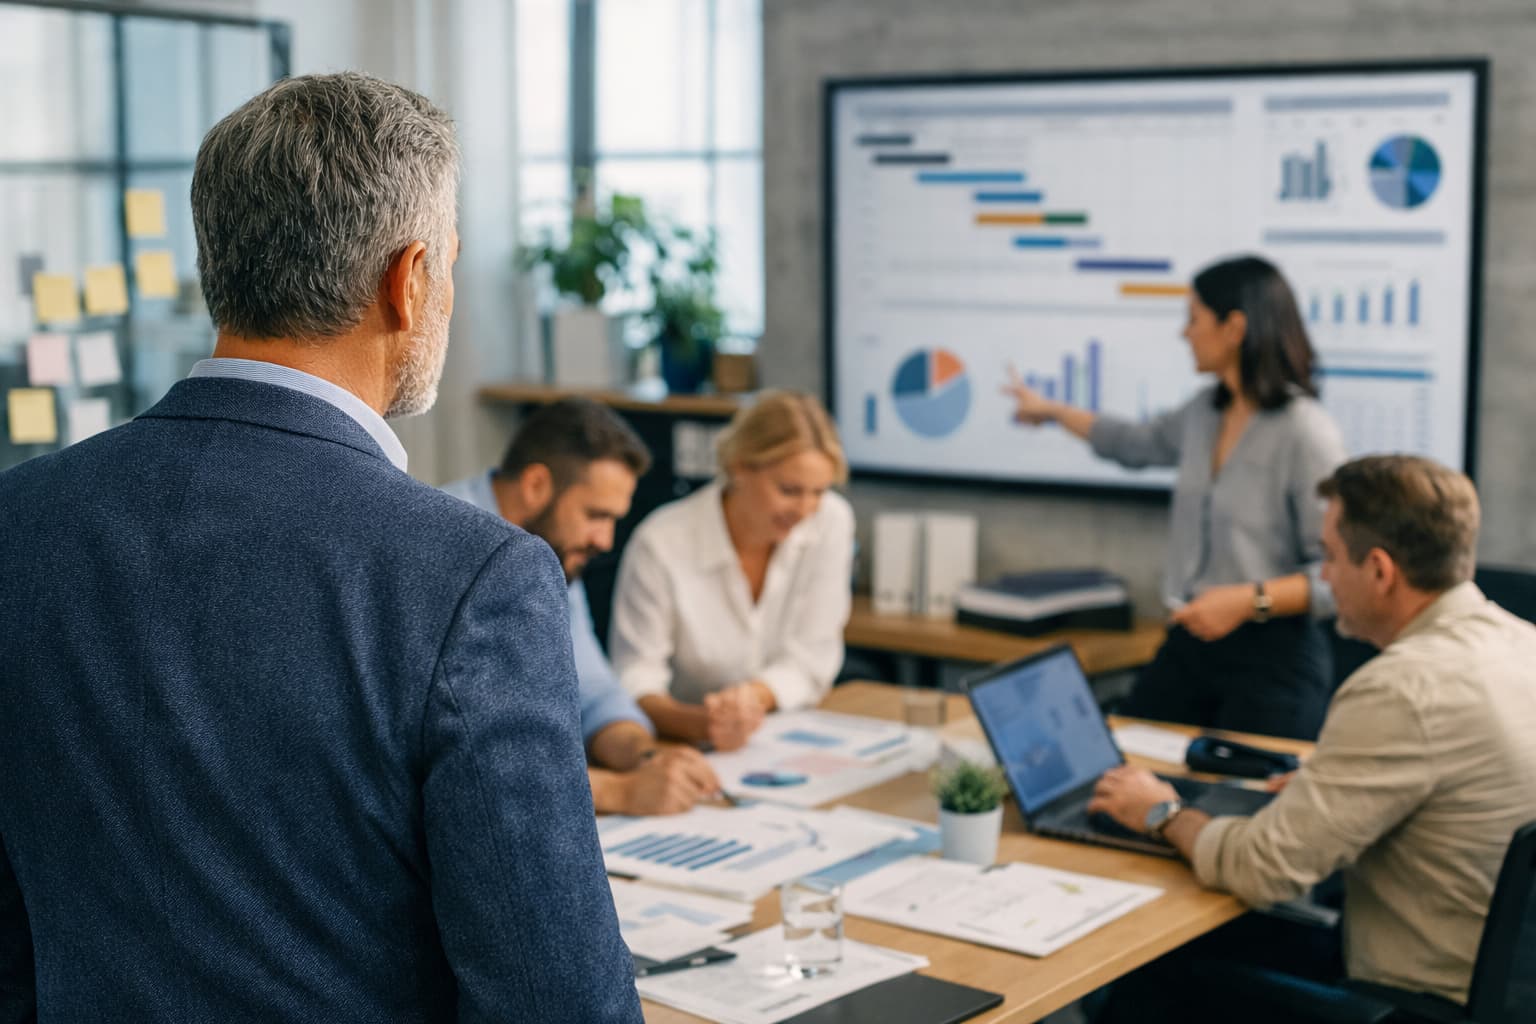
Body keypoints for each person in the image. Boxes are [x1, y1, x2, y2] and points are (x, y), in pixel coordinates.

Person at [0, 74, 640, 1022]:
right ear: (409, 279)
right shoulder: (472, 578)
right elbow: (558, 1003)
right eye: (451, 269)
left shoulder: (21, 517)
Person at [1086, 454, 1536, 1022]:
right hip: (1500, 990)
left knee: (1152, 975)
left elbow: (1260, 869)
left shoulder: (1401, 688)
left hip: (1411, 1003)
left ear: (1379, 569)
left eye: (1327, 557)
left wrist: (1162, 812)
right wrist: (1330, 789)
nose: (1321, 578)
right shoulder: (1524, 644)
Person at [1004, 255, 1347, 740]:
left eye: (1193, 319)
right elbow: (1132, 442)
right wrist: (1052, 412)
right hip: (1192, 642)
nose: (1184, 333)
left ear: (1234, 327)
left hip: (1275, 658)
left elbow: (1335, 576)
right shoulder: (1203, 413)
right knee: (1122, 766)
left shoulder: (1305, 432)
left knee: (1239, 803)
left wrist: (1247, 601)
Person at [442, 399, 722, 815]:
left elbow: (593, 692)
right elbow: (468, 762)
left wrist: (644, 756)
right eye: (596, 515)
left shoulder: (549, 551)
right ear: (536, 484)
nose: (605, 540)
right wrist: (619, 792)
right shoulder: (440, 549)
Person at [610, 391, 855, 750]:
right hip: (683, 743)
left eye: (818, 491)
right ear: (740, 467)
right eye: (789, 490)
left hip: (781, 739)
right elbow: (635, 677)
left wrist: (750, 700)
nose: (805, 509)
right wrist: (703, 723)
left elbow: (812, 658)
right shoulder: (661, 542)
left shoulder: (831, 520)